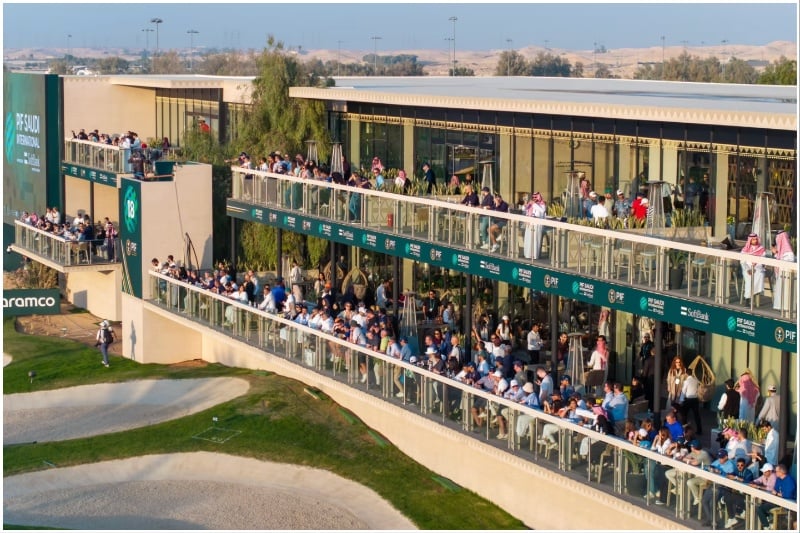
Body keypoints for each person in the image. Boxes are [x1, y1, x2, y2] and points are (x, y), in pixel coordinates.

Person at [756, 464, 796, 530]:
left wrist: (777, 493)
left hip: (786, 505)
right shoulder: (778, 479)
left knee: (760, 509)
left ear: (781, 472)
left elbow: (788, 495)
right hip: (777, 501)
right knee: (759, 507)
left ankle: (767, 527)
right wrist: (778, 493)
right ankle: (768, 524)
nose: (775, 472)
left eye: (776, 471)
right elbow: (774, 489)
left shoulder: (789, 480)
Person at [771, 230, 796, 311]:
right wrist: (775, 253)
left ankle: (784, 307)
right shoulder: (781, 249)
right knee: (779, 289)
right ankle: (779, 306)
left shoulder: (788, 252)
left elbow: (787, 262)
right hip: (781, 275)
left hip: (786, 276)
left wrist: (776, 254)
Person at [740, 233, 766, 304]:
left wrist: (756, 265)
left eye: (756, 239)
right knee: (749, 278)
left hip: (758, 267)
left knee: (760, 274)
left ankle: (753, 293)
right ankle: (747, 299)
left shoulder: (761, 249)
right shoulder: (745, 249)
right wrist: (748, 269)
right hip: (747, 268)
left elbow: (762, 260)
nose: (755, 241)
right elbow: (742, 262)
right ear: (750, 240)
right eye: (753, 239)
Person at [678, 367, 703, 434]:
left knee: (684, 414)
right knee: (696, 415)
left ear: (686, 373)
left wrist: (681, 400)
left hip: (688, 399)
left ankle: (685, 429)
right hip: (695, 399)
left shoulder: (686, 381)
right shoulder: (696, 380)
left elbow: (683, 391)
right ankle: (699, 430)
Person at [523, 192, 547, 259]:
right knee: (528, 239)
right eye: (533, 197)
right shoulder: (531, 204)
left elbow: (542, 211)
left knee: (535, 241)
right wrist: (526, 203)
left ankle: (534, 255)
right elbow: (524, 209)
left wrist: (534, 204)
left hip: (537, 225)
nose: (534, 199)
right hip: (530, 224)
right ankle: (527, 255)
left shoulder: (542, 204)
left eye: (536, 197)